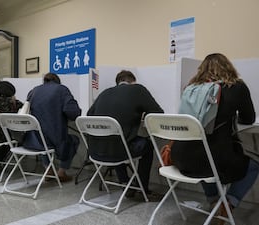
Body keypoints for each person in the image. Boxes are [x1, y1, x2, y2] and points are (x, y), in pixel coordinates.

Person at [171, 53, 259, 224]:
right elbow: (248, 118)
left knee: (204, 155)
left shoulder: (190, 88)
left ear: (201, 70)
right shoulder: (237, 87)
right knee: (253, 165)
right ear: (228, 68)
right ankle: (228, 204)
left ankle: (213, 201)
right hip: (212, 162)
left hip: (182, 159)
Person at [87, 70, 164, 198]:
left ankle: (124, 182)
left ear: (118, 83)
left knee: (118, 138)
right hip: (119, 151)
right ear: (132, 82)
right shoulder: (138, 89)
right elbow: (158, 114)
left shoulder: (104, 93)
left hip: (95, 151)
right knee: (147, 145)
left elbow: (89, 116)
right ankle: (142, 188)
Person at [23, 73, 81, 182]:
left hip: (34, 140)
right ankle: (61, 172)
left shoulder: (34, 91)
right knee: (74, 140)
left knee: (43, 139)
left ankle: (48, 169)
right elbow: (73, 113)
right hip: (54, 138)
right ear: (57, 81)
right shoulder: (61, 90)